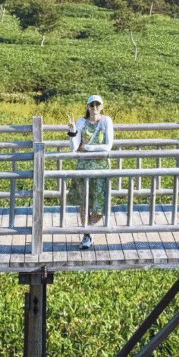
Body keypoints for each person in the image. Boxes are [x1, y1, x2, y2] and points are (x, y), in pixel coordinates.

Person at [66, 95, 114, 250]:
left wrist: (87, 148)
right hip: (83, 167)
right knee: (84, 203)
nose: (94, 108)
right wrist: (72, 131)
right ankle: (87, 234)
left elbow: (108, 146)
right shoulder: (81, 122)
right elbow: (73, 148)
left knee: (101, 206)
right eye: (91, 105)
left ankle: (89, 228)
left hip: (101, 168)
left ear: (101, 106)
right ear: (87, 107)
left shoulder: (106, 121)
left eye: (97, 105)